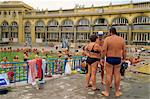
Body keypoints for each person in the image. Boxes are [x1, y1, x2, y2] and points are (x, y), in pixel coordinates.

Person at [101, 27, 126, 97]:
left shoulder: (107, 39)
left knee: (108, 75)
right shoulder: (121, 39)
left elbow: (104, 50)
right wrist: (124, 58)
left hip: (110, 58)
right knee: (117, 75)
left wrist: (102, 58)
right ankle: (117, 92)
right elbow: (124, 50)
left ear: (110, 32)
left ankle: (107, 92)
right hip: (118, 58)